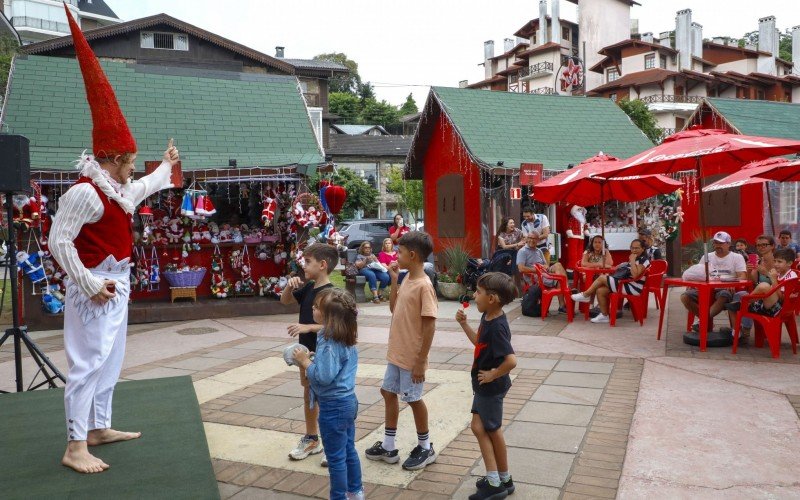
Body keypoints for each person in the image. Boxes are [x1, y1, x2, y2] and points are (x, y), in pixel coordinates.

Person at [51, 6, 180, 474]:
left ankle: (99, 426)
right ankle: (74, 445)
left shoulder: (119, 190)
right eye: (129, 160)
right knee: (87, 361)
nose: (133, 168)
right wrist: (88, 283)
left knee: (111, 358)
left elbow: (148, 186)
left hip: (116, 281)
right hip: (95, 284)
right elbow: (57, 242)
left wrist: (167, 165)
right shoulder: (85, 193)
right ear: (112, 157)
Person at [365, 231, 438, 470]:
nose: (397, 255)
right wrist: (395, 280)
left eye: (401, 252)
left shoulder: (424, 286)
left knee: (414, 400)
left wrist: (420, 361)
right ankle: (388, 445)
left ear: (413, 255)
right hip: (396, 353)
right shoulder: (407, 278)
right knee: (388, 392)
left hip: (412, 357)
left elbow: (429, 326)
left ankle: (426, 447)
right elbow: (393, 308)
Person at [292, 288, 364, 500]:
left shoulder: (329, 342)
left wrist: (305, 362)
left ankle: (340, 496)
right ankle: (356, 491)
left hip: (333, 407)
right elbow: (334, 368)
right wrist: (316, 359)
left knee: (335, 458)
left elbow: (323, 377)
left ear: (327, 316)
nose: (312, 308)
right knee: (349, 449)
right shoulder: (345, 335)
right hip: (348, 401)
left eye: (315, 307)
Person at [455, 273, 517, 500]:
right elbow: (478, 343)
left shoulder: (497, 327)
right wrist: (464, 324)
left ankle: (496, 482)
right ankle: (503, 479)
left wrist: (492, 374)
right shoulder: (488, 318)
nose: (474, 295)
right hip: (484, 385)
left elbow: (511, 361)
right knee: (481, 427)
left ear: (492, 298)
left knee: (489, 429)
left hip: (490, 386)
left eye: (478, 292)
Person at [280, 243, 338, 465]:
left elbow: (339, 326)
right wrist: (288, 286)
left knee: (327, 397)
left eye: (307, 262)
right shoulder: (308, 287)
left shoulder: (334, 293)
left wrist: (308, 327)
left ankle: (332, 443)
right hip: (306, 353)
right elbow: (285, 301)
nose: (303, 265)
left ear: (322, 265)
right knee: (309, 394)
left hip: (326, 353)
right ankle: (312, 438)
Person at [680, 231, 747, 332]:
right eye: (716, 243)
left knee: (724, 294)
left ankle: (702, 321)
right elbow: (699, 273)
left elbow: (742, 276)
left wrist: (733, 283)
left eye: (721, 243)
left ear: (728, 244)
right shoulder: (707, 257)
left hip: (726, 290)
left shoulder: (737, 257)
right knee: (685, 296)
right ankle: (705, 320)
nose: (717, 245)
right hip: (706, 290)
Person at [572, 239, 651, 324]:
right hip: (625, 284)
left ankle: (586, 295)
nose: (634, 250)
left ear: (643, 249)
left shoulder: (644, 260)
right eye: (632, 248)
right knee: (600, 290)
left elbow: (635, 275)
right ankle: (604, 316)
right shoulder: (636, 258)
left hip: (633, 287)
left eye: (637, 248)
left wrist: (631, 261)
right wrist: (625, 264)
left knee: (602, 277)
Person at [725, 235, 776, 343]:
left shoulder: (778, 262)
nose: (761, 247)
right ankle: (741, 330)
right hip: (759, 295)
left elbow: (781, 283)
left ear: (772, 246)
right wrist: (748, 271)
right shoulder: (758, 262)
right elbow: (752, 281)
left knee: (740, 301)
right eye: (758, 245)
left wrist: (766, 273)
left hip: (773, 298)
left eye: (764, 245)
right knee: (737, 296)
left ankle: (744, 330)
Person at [517, 232, 568, 313]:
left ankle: (563, 297)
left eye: (534, 239)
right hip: (534, 278)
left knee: (558, 265)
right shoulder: (522, 251)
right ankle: (564, 297)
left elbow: (546, 265)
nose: (531, 240)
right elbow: (521, 269)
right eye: (530, 238)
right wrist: (537, 270)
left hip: (544, 274)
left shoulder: (539, 251)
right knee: (560, 280)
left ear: (537, 240)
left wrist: (545, 267)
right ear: (526, 239)